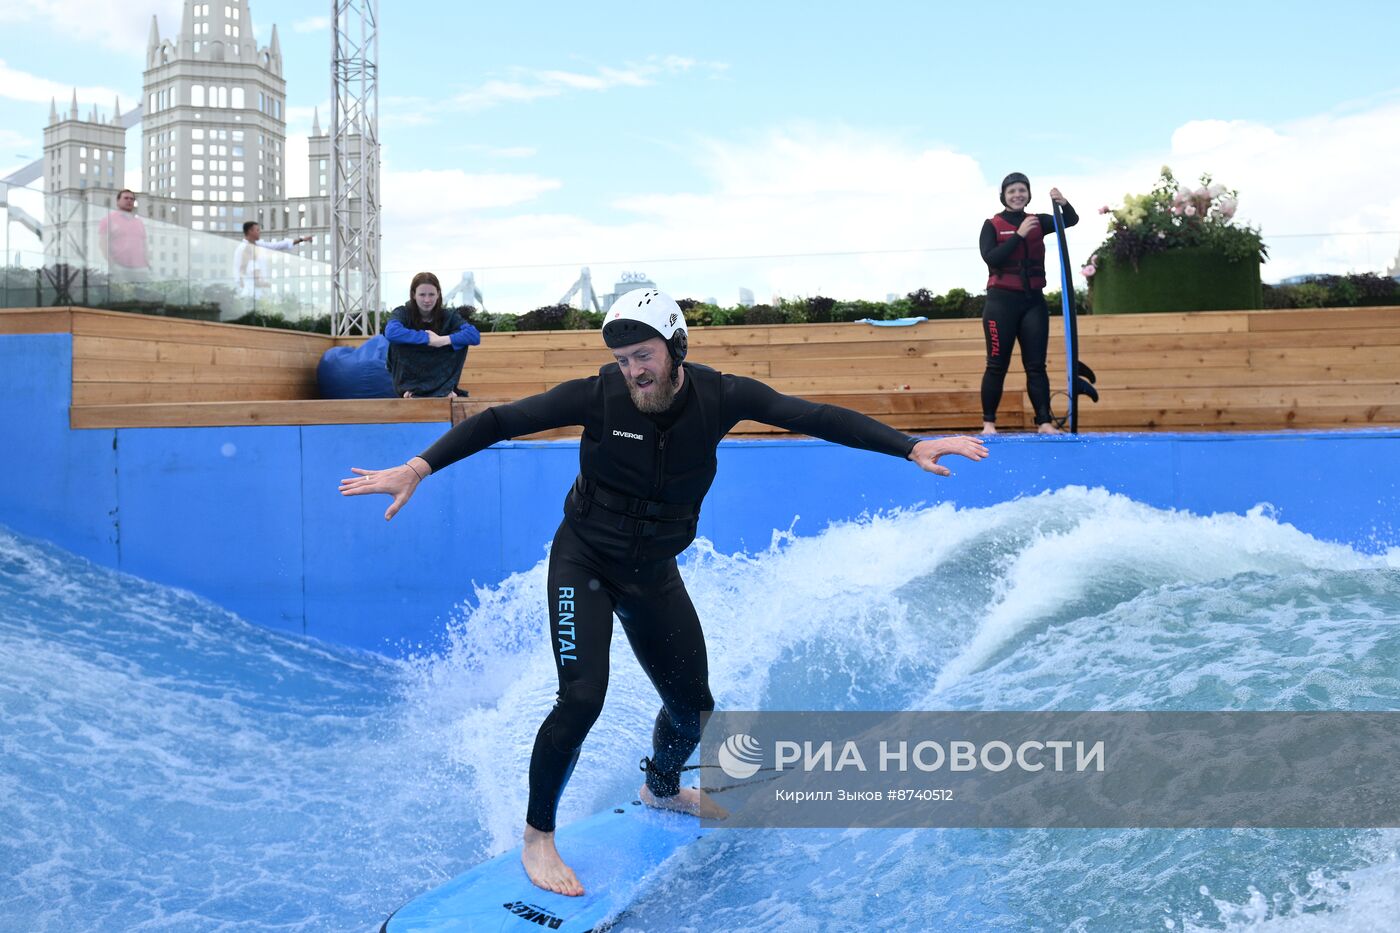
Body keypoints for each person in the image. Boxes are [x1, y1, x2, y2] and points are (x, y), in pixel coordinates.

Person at [339, 289, 988, 896]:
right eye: (622, 359)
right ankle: (538, 837)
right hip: (585, 559)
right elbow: (503, 419)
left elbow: (812, 415)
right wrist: (417, 467)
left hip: (652, 570)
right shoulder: (600, 396)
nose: (633, 371)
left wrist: (910, 446)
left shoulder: (720, 395)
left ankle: (660, 786)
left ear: (675, 348)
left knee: (693, 708)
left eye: (643, 356)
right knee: (582, 696)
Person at [978, 172, 1078, 434]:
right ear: (1004, 196)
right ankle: (989, 423)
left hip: (1033, 302)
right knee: (996, 364)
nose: (1017, 195)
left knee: (1036, 366)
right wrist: (1019, 236)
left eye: (1022, 190)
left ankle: (1044, 422)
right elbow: (992, 258)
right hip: (1000, 304)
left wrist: (1063, 203)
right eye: (1012, 191)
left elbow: (1070, 221)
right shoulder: (992, 224)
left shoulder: (1038, 221)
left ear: (1028, 194)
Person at [384, 272, 482, 398]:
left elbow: (474, 335)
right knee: (396, 341)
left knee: (460, 340)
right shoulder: (402, 312)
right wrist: (427, 339)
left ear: (438, 294)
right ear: (414, 295)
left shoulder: (448, 315)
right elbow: (391, 332)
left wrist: (441, 340)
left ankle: (445, 389)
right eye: (422, 295)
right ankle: (408, 389)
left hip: (440, 371)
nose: (427, 300)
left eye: (431, 294)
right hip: (411, 374)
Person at [235, 221, 312, 301]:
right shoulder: (243, 248)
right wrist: (261, 283)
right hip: (249, 292)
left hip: (257, 291)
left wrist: (301, 239)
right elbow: (242, 270)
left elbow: (277, 245)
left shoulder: (259, 244)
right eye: (257, 230)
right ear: (250, 231)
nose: (259, 232)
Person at [97, 189, 150, 288]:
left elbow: (145, 245)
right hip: (120, 268)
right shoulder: (108, 220)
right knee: (121, 298)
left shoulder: (139, 222)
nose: (129, 201)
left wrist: (147, 263)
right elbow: (102, 244)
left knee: (144, 299)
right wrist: (112, 264)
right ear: (117, 201)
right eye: (126, 198)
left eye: (132, 199)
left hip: (140, 269)